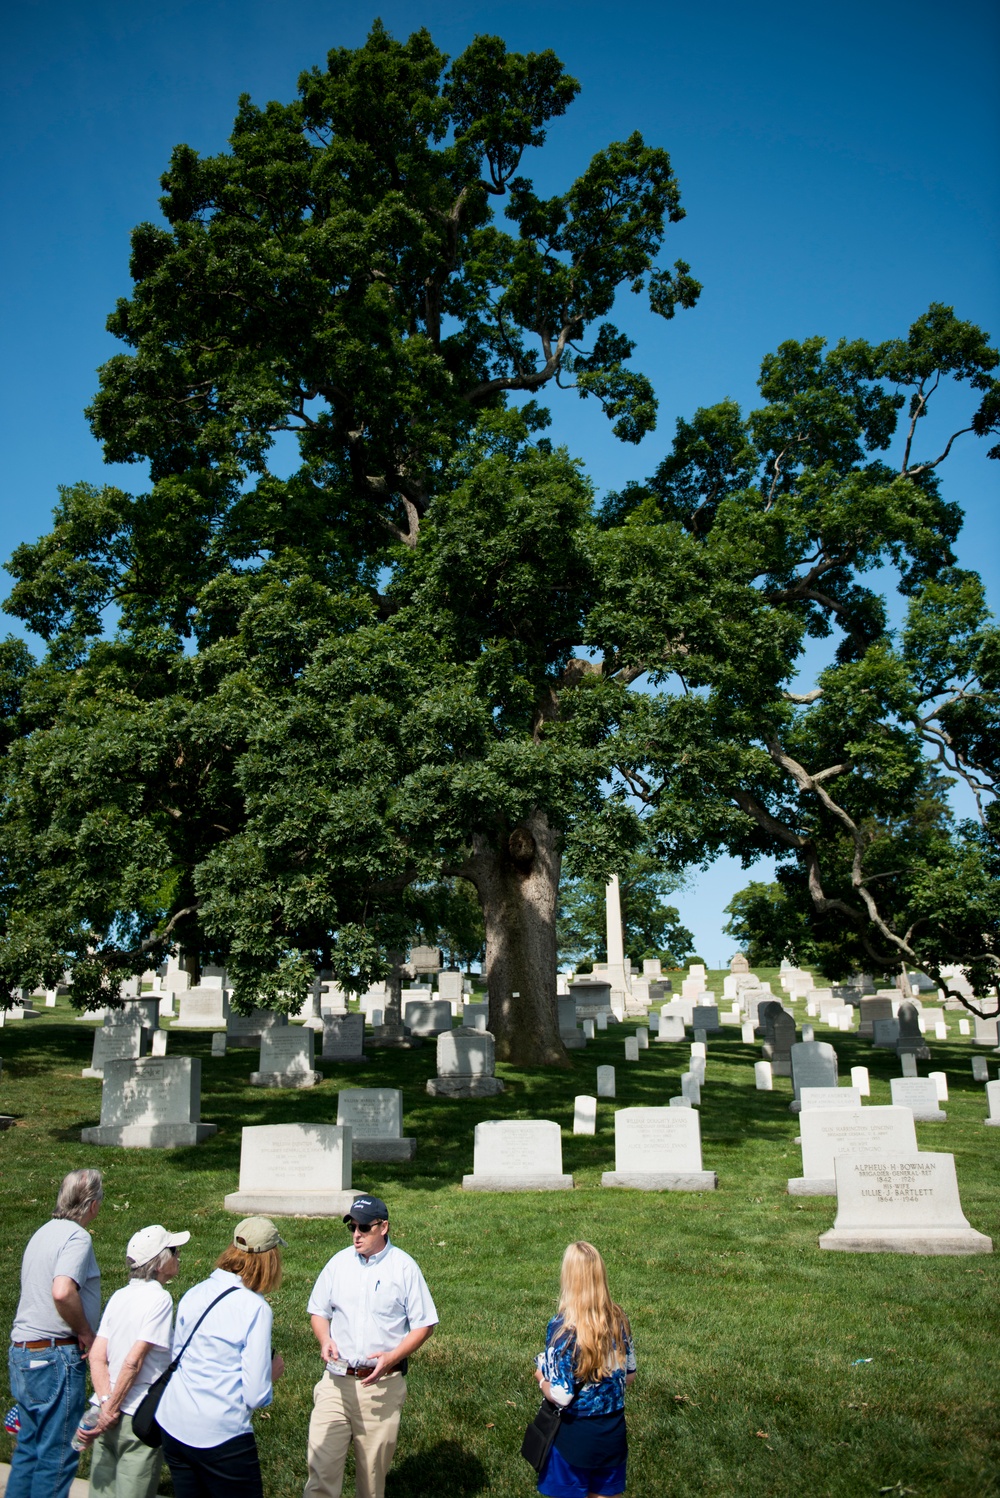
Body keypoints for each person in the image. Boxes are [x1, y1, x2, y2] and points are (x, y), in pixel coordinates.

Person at [304, 1194, 438, 1498]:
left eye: (364, 1227)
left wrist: (393, 1357)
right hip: (335, 1384)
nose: (356, 1234)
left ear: (384, 1227)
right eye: (352, 1227)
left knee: (372, 1483)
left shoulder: (403, 1268)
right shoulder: (338, 1263)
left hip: (381, 1389)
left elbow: (424, 1324)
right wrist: (325, 1339)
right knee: (320, 1474)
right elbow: (318, 1310)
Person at [155, 1216, 286, 1498]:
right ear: (269, 1259)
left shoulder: (195, 1292)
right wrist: (269, 1376)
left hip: (173, 1425)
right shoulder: (256, 1309)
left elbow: (177, 1358)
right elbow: (254, 1395)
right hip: (221, 1437)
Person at [7, 1167, 104, 1498]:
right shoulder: (77, 1237)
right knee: (57, 1456)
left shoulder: (43, 1232)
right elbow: (62, 1291)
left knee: (28, 1451)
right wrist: (86, 1332)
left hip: (23, 1353)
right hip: (54, 1357)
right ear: (91, 1204)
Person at [82, 1222, 190, 1498]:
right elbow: (134, 1361)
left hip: (106, 1410)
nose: (179, 1256)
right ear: (159, 1263)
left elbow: (97, 1355)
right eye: (174, 1251)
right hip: (136, 1416)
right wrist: (113, 1407)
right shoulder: (160, 1300)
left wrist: (105, 1404)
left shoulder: (120, 1295)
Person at [532, 1242, 637, 1498]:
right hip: (612, 1435)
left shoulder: (562, 1328)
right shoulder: (619, 1320)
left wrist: (540, 1378)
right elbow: (630, 1374)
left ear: (569, 1278)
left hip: (573, 1438)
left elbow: (562, 1395)